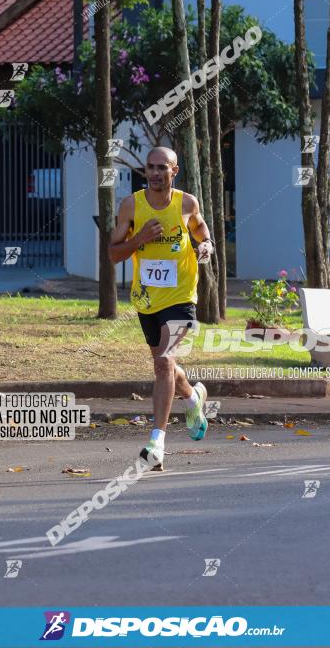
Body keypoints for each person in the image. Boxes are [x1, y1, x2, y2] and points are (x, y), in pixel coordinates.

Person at [109, 147, 214, 471]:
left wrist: (206, 244)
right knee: (163, 366)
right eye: (150, 168)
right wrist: (139, 237)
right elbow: (114, 255)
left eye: (161, 168)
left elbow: (200, 229)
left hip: (182, 295)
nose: (155, 173)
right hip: (147, 298)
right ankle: (194, 398)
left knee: (165, 362)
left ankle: (157, 443)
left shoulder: (186, 203)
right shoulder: (131, 205)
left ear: (174, 171)